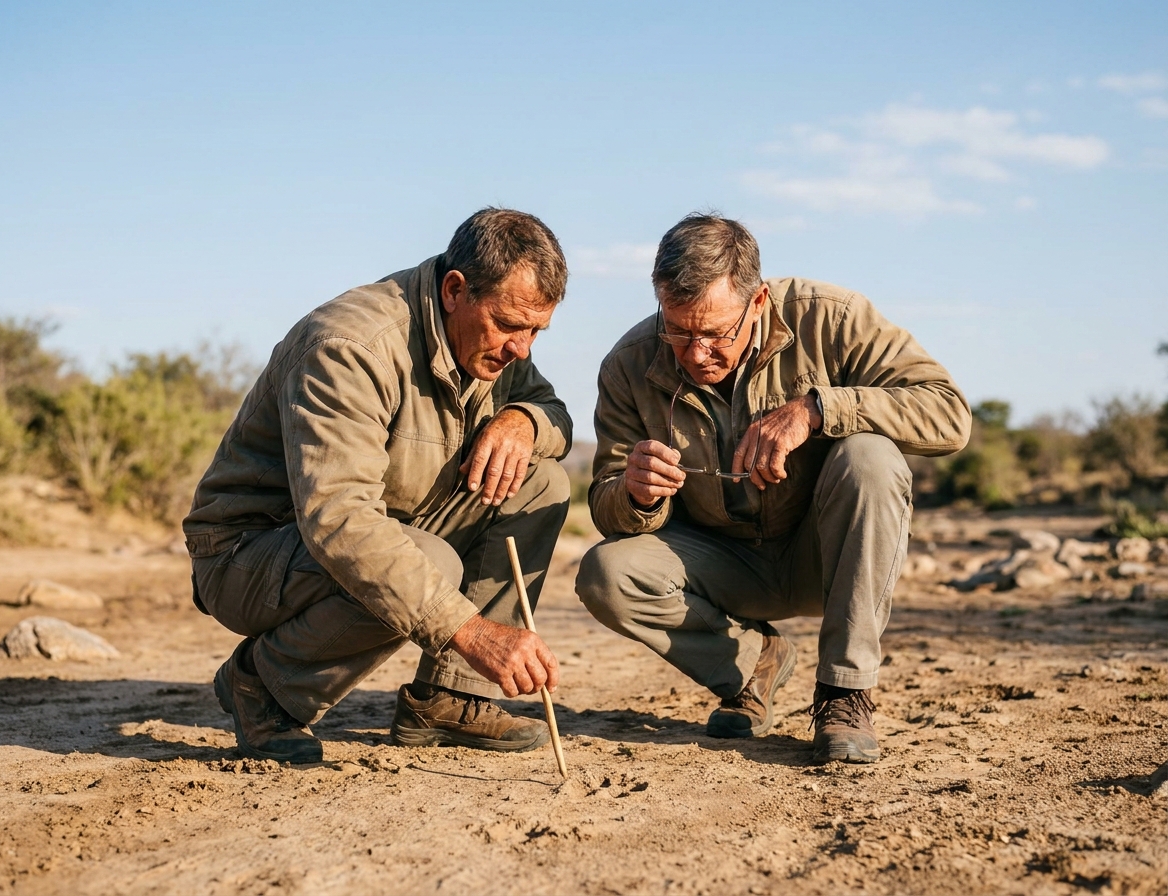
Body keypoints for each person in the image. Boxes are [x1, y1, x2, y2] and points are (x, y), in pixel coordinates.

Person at [575, 212, 970, 763]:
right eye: (678, 330)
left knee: (871, 457)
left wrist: (819, 409)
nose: (694, 353)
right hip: (723, 567)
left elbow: (948, 415)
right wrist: (633, 494)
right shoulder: (627, 364)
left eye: (714, 334)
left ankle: (845, 693)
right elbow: (606, 505)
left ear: (758, 303)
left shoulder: (834, 318)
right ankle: (754, 657)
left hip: (824, 557)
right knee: (605, 572)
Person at [184, 208, 573, 763]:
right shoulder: (349, 346)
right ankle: (265, 687)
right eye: (512, 325)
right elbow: (341, 523)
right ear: (455, 290)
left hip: (388, 528)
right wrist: (470, 630)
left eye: (538, 330)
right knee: (430, 563)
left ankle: (450, 697)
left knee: (541, 481)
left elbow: (552, 409)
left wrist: (524, 422)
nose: (523, 348)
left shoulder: (489, 339)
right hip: (250, 555)